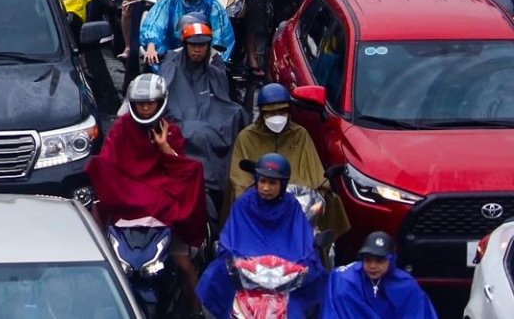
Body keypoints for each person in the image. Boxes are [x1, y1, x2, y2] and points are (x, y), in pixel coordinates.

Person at [85, 73, 208, 301]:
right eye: (140, 104)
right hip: (126, 208)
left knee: (183, 264)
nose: (144, 109)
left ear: (160, 103)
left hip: (163, 211)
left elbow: (180, 172)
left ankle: (196, 308)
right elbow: (109, 163)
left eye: (149, 103)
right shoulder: (121, 130)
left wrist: (163, 147)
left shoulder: (171, 131)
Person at [197, 154, 326, 319]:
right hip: (246, 270)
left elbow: (303, 243)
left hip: (285, 273)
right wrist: (233, 258)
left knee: (317, 276)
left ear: (283, 183)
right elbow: (230, 239)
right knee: (216, 273)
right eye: (262, 181)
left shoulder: (291, 206)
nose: (266, 188)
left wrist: (303, 263)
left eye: (272, 183)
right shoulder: (244, 203)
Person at [229, 84, 348, 235]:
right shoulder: (246, 137)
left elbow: (314, 173)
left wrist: (321, 188)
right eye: (271, 113)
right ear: (262, 114)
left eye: (281, 111)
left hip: (298, 203)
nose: (276, 117)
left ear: (289, 111)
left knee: (332, 202)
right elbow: (239, 179)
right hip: (258, 199)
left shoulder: (300, 134)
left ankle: (325, 254)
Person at [158, 19, 248, 196]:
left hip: (209, 118)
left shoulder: (215, 71)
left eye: (202, 45)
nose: (197, 50)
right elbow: (168, 101)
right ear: (185, 45)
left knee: (239, 115)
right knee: (199, 135)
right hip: (184, 121)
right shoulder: (171, 66)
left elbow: (222, 99)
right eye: (193, 45)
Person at [324, 232, 438, 319]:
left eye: (379, 261)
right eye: (368, 260)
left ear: (391, 260)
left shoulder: (407, 285)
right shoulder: (344, 281)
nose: (372, 266)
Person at [139, 0, 237, 64]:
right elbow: (155, 21)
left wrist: (215, 61)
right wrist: (151, 45)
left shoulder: (212, 5)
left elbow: (221, 37)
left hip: (202, 60)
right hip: (170, 54)